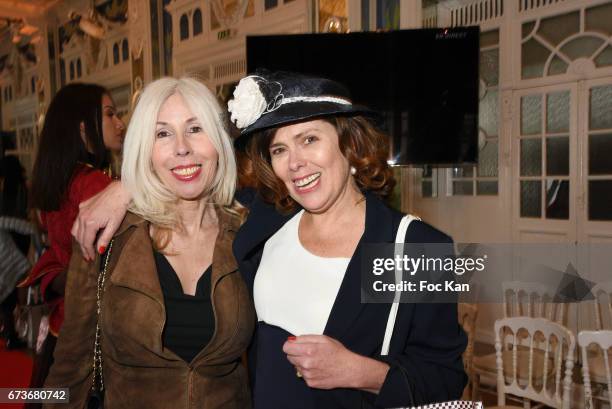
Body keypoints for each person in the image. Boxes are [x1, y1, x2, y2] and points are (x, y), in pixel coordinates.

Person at [72, 71, 467, 408]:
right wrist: (123, 188)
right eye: (280, 148)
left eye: (309, 139)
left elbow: (446, 379)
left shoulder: (418, 248)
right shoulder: (265, 224)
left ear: (349, 145)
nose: (295, 162)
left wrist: (360, 372)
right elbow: (189, 176)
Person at [44, 77, 255, 409]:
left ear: (220, 141)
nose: (182, 147)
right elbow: (71, 367)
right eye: (162, 133)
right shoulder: (108, 235)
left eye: (196, 128)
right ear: (145, 148)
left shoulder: (250, 232)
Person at [18, 83, 125, 397]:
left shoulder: (63, 178)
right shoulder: (94, 183)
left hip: (63, 324)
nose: (120, 123)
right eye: (110, 114)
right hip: (95, 325)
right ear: (83, 128)